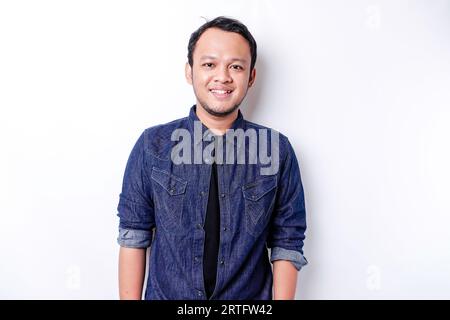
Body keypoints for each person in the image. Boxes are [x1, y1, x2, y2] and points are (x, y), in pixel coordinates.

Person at [117, 16, 308, 300]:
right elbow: (133, 236)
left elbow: (287, 243)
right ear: (189, 71)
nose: (223, 77)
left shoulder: (276, 151)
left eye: (236, 66)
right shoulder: (151, 146)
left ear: (251, 76)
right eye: (209, 64)